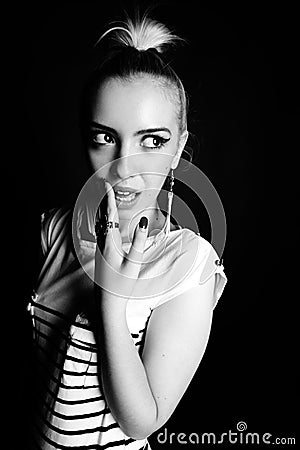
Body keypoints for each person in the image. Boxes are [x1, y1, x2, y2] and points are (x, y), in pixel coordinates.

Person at [27, 13, 227, 450]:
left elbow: (142, 423)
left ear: (178, 147)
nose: (124, 166)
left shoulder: (187, 263)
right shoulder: (54, 230)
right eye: (105, 137)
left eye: (151, 140)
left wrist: (111, 302)